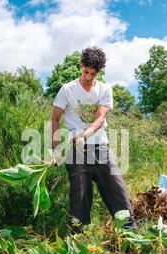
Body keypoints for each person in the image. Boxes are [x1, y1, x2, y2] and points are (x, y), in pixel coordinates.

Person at [51, 46, 137, 234]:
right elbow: (55, 118)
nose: (88, 76)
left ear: (99, 72)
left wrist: (86, 134)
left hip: (100, 147)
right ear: (80, 66)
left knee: (117, 190)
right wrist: (56, 149)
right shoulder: (67, 89)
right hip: (76, 151)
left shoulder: (104, 89)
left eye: (93, 73)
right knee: (80, 197)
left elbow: (100, 118)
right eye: (85, 71)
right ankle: (78, 240)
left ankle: (131, 235)